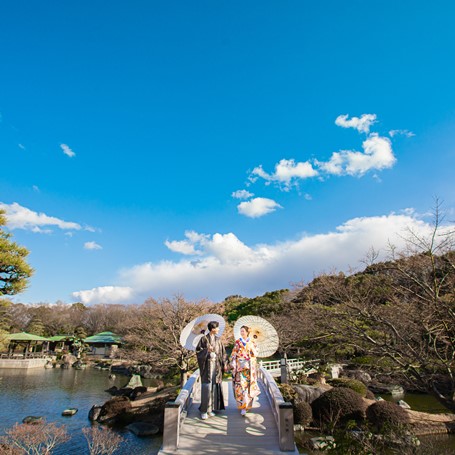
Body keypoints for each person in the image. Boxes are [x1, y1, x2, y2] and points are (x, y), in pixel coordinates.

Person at [195, 320, 227, 420]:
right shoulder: (204, 339)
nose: (218, 329)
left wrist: (225, 363)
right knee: (206, 387)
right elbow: (198, 351)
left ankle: (211, 409)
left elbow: (223, 353)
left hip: (216, 366)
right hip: (207, 366)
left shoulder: (218, 339)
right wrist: (206, 351)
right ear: (212, 329)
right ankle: (204, 410)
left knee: (214, 387)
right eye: (217, 327)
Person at [230, 325, 261, 416]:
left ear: (247, 332)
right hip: (240, 368)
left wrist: (253, 349)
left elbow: (255, 354)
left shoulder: (252, 342)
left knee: (249, 387)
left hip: (249, 369)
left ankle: (248, 406)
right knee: (240, 387)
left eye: (243, 331)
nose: (241, 333)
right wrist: (235, 361)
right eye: (241, 331)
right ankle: (242, 407)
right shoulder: (238, 342)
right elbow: (233, 354)